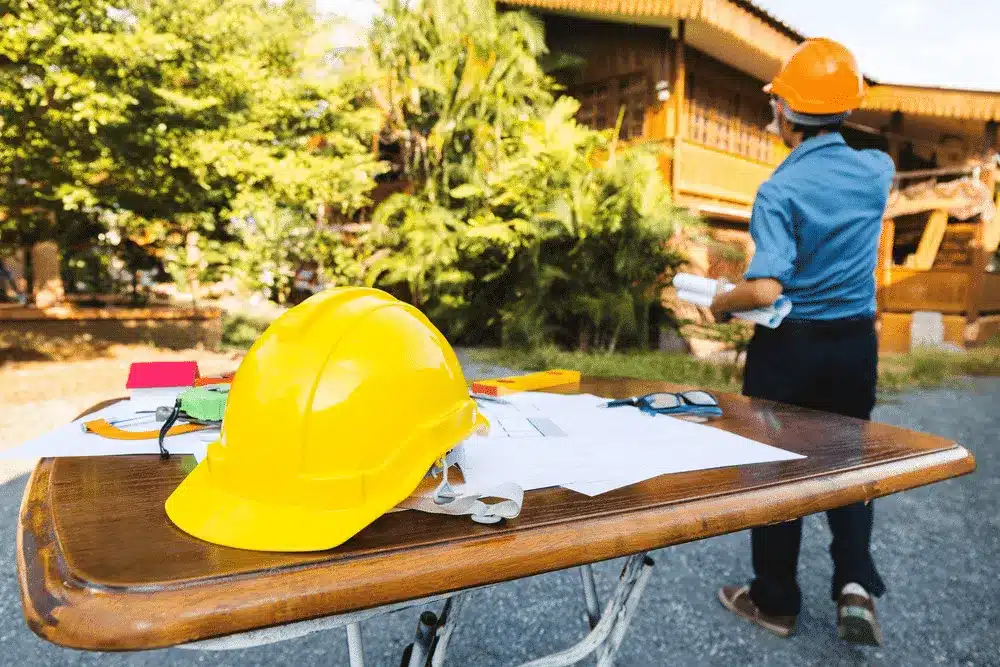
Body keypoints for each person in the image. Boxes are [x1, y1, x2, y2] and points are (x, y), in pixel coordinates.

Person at [710, 38, 895, 646]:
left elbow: (765, 288)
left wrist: (721, 299)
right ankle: (854, 583)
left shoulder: (778, 190)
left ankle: (775, 599)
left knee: (777, 470)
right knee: (847, 459)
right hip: (852, 346)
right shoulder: (877, 170)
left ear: (785, 115)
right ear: (846, 109)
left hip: (789, 348)